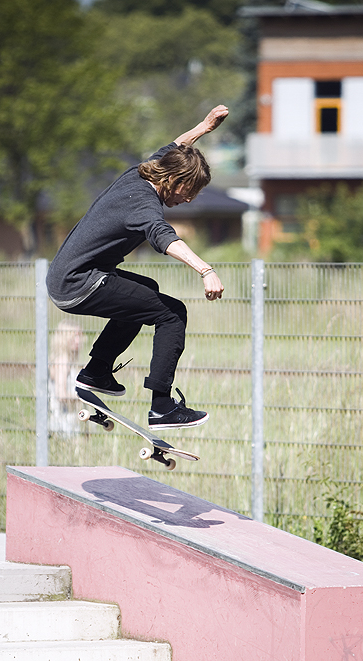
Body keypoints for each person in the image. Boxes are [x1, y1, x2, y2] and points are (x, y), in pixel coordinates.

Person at [46, 105, 228, 430]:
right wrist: (205, 270)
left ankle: (97, 371)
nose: (189, 200)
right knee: (172, 313)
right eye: (189, 191)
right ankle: (162, 406)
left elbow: (175, 146)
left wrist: (203, 126)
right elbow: (164, 238)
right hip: (80, 283)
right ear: (172, 180)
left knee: (147, 294)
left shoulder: (140, 173)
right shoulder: (142, 204)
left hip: (68, 277)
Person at [48, 320, 84, 435]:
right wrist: (83, 397)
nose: (78, 341)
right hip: (62, 423)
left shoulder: (68, 360)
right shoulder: (62, 361)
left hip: (69, 420)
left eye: (79, 336)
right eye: (74, 337)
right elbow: (61, 395)